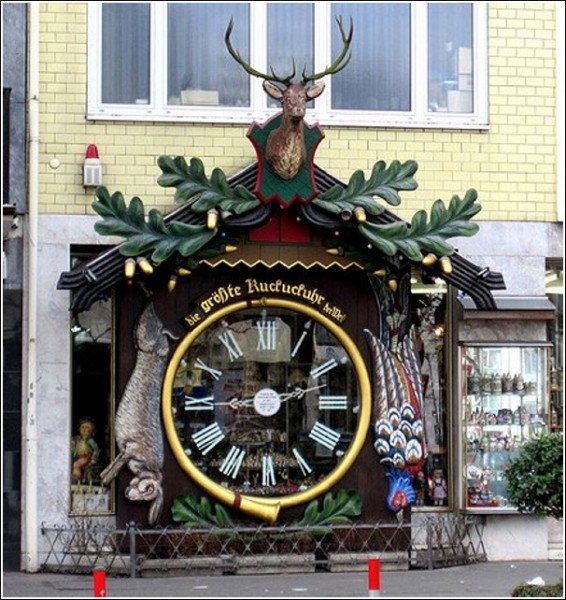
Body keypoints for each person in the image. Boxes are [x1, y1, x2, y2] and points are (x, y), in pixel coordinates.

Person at [71, 417, 101, 484]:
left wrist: (94, 459)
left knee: (76, 465)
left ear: (92, 430)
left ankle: (77, 477)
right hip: (78, 457)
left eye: (87, 427)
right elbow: (76, 449)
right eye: (82, 427)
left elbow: (96, 450)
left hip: (86, 457)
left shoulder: (90, 440)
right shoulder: (79, 440)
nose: (84, 429)